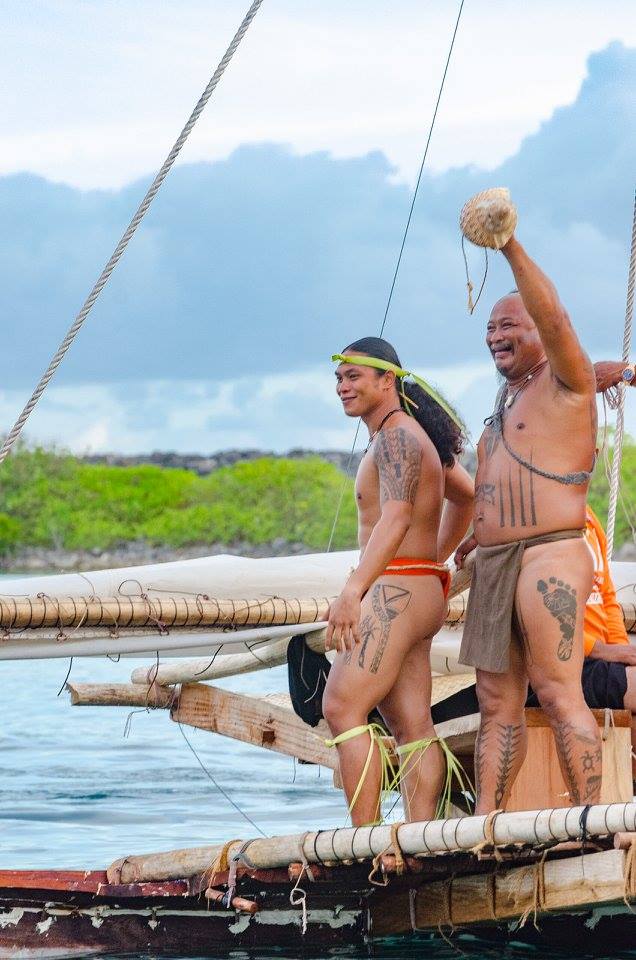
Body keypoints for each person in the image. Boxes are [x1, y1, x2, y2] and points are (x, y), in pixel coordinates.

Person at [454, 230, 602, 813]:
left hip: (550, 554)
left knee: (559, 689)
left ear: (541, 331)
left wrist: (508, 246)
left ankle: (593, 817)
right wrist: (475, 535)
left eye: (509, 325)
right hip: (494, 561)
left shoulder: (567, 381)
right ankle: (487, 823)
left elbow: (556, 314)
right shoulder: (506, 401)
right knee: (496, 701)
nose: (496, 336)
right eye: (490, 328)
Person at [322, 337, 473, 825]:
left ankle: (365, 839)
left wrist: (353, 590)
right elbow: (467, 498)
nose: (343, 387)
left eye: (354, 377)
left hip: (396, 591)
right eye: (339, 378)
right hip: (418, 588)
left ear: (387, 380)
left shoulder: (397, 438)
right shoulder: (409, 435)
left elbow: (397, 516)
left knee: (343, 709)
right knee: (412, 725)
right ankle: (417, 835)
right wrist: (437, 561)